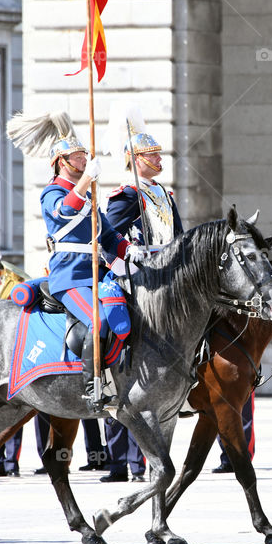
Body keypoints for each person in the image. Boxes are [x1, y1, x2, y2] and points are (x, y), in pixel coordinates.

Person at [18, 114, 142, 407]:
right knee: (98, 321)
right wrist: (87, 180)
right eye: (79, 158)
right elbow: (65, 212)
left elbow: (109, 237)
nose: (85, 161)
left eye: (86, 158)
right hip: (71, 277)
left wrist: (131, 252)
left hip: (100, 276)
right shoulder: (52, 193)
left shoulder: (90, 199)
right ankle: (93, 385)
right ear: (63, 162)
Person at [100, 113, 183, 483]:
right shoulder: (126, 194)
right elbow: (108, 237)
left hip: (168, 276)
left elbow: (177, 236)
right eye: (152, 156)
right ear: (135, 160)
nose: (160, 160)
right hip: (137, 276)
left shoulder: (163, 193)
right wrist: (131, 254)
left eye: (158, 155)